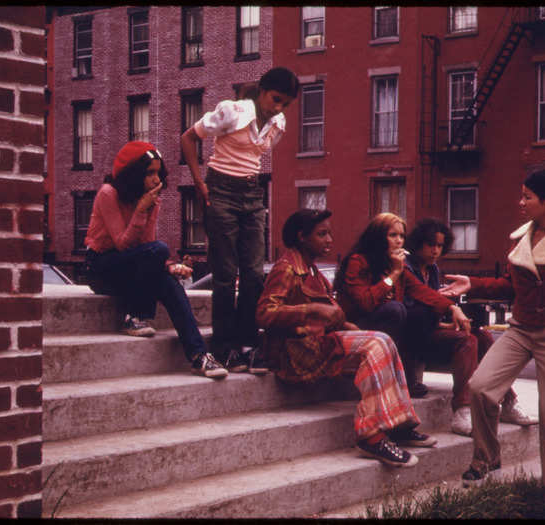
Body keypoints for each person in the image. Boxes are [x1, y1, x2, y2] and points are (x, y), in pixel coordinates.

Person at [440, 170, 545, 519]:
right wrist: (471, 284)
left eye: (527, 197)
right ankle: (487, 458)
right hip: (520, 330)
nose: (520, 203)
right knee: (480, 387)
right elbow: (511, 285)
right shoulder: (524, 237)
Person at [256, 209, 438, 468]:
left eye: (329, 233)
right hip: (295, 351)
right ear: (301, 237)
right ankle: (371, 436)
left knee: (383, 340)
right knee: (375, 344)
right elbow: (264, 314)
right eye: (322, 234)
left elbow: (330, 314)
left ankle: (399, 424)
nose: (330, 239)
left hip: (318, 343)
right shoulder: (286, 268)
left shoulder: (312, 270)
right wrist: (312, 311)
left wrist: (347, 325)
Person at [181, 67, 300, 374]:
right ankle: (223, 347)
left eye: (284, 104)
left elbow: (257, 156)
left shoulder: (278, 123)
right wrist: (199, 182)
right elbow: (188, 138)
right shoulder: (232, 112)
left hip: (251, 193)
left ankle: (248, 344)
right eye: (275, 99)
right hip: (220, 190)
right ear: (262, 91)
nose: (278, 108)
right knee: (224, 273)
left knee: (254, 273)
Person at [84, 141, 227, 380]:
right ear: (133, 173)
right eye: (149, 172)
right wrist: (141, 210)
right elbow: (122, 243)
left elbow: (147, 248)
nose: (155, 179)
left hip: (131, 267)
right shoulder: (108, 193)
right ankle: (135, 315)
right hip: (100, 266)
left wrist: (170, 266)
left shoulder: (152, 201)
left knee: (170, 283)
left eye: (158, 172)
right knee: (159, 250)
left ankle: (199, 355)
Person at [333, 212, 472, 422]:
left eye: (401, 235)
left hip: (385, 331)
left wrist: (453, 309)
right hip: (357, 327)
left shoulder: (394, 264)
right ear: (378, 237)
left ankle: (402, 379)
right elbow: (365, 302)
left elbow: (423, 292)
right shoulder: (359, 261)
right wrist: (393, 276)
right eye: (392, 235)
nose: (399, 240)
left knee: (408, 312)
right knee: (396, 310)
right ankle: (385, 376)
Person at [403, 218, 537, 436]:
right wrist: (449, 310)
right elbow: (415, 310)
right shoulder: (406, 269)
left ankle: (509, 400)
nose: (436, 250)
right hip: (412, 340)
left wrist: (447, 323)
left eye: (439, 245)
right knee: (466, 340)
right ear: (418, 243)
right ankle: (462, 410)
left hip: (430, 332)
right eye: (431, 244)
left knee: (481, 336)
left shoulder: (433, 270)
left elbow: (431, 311)